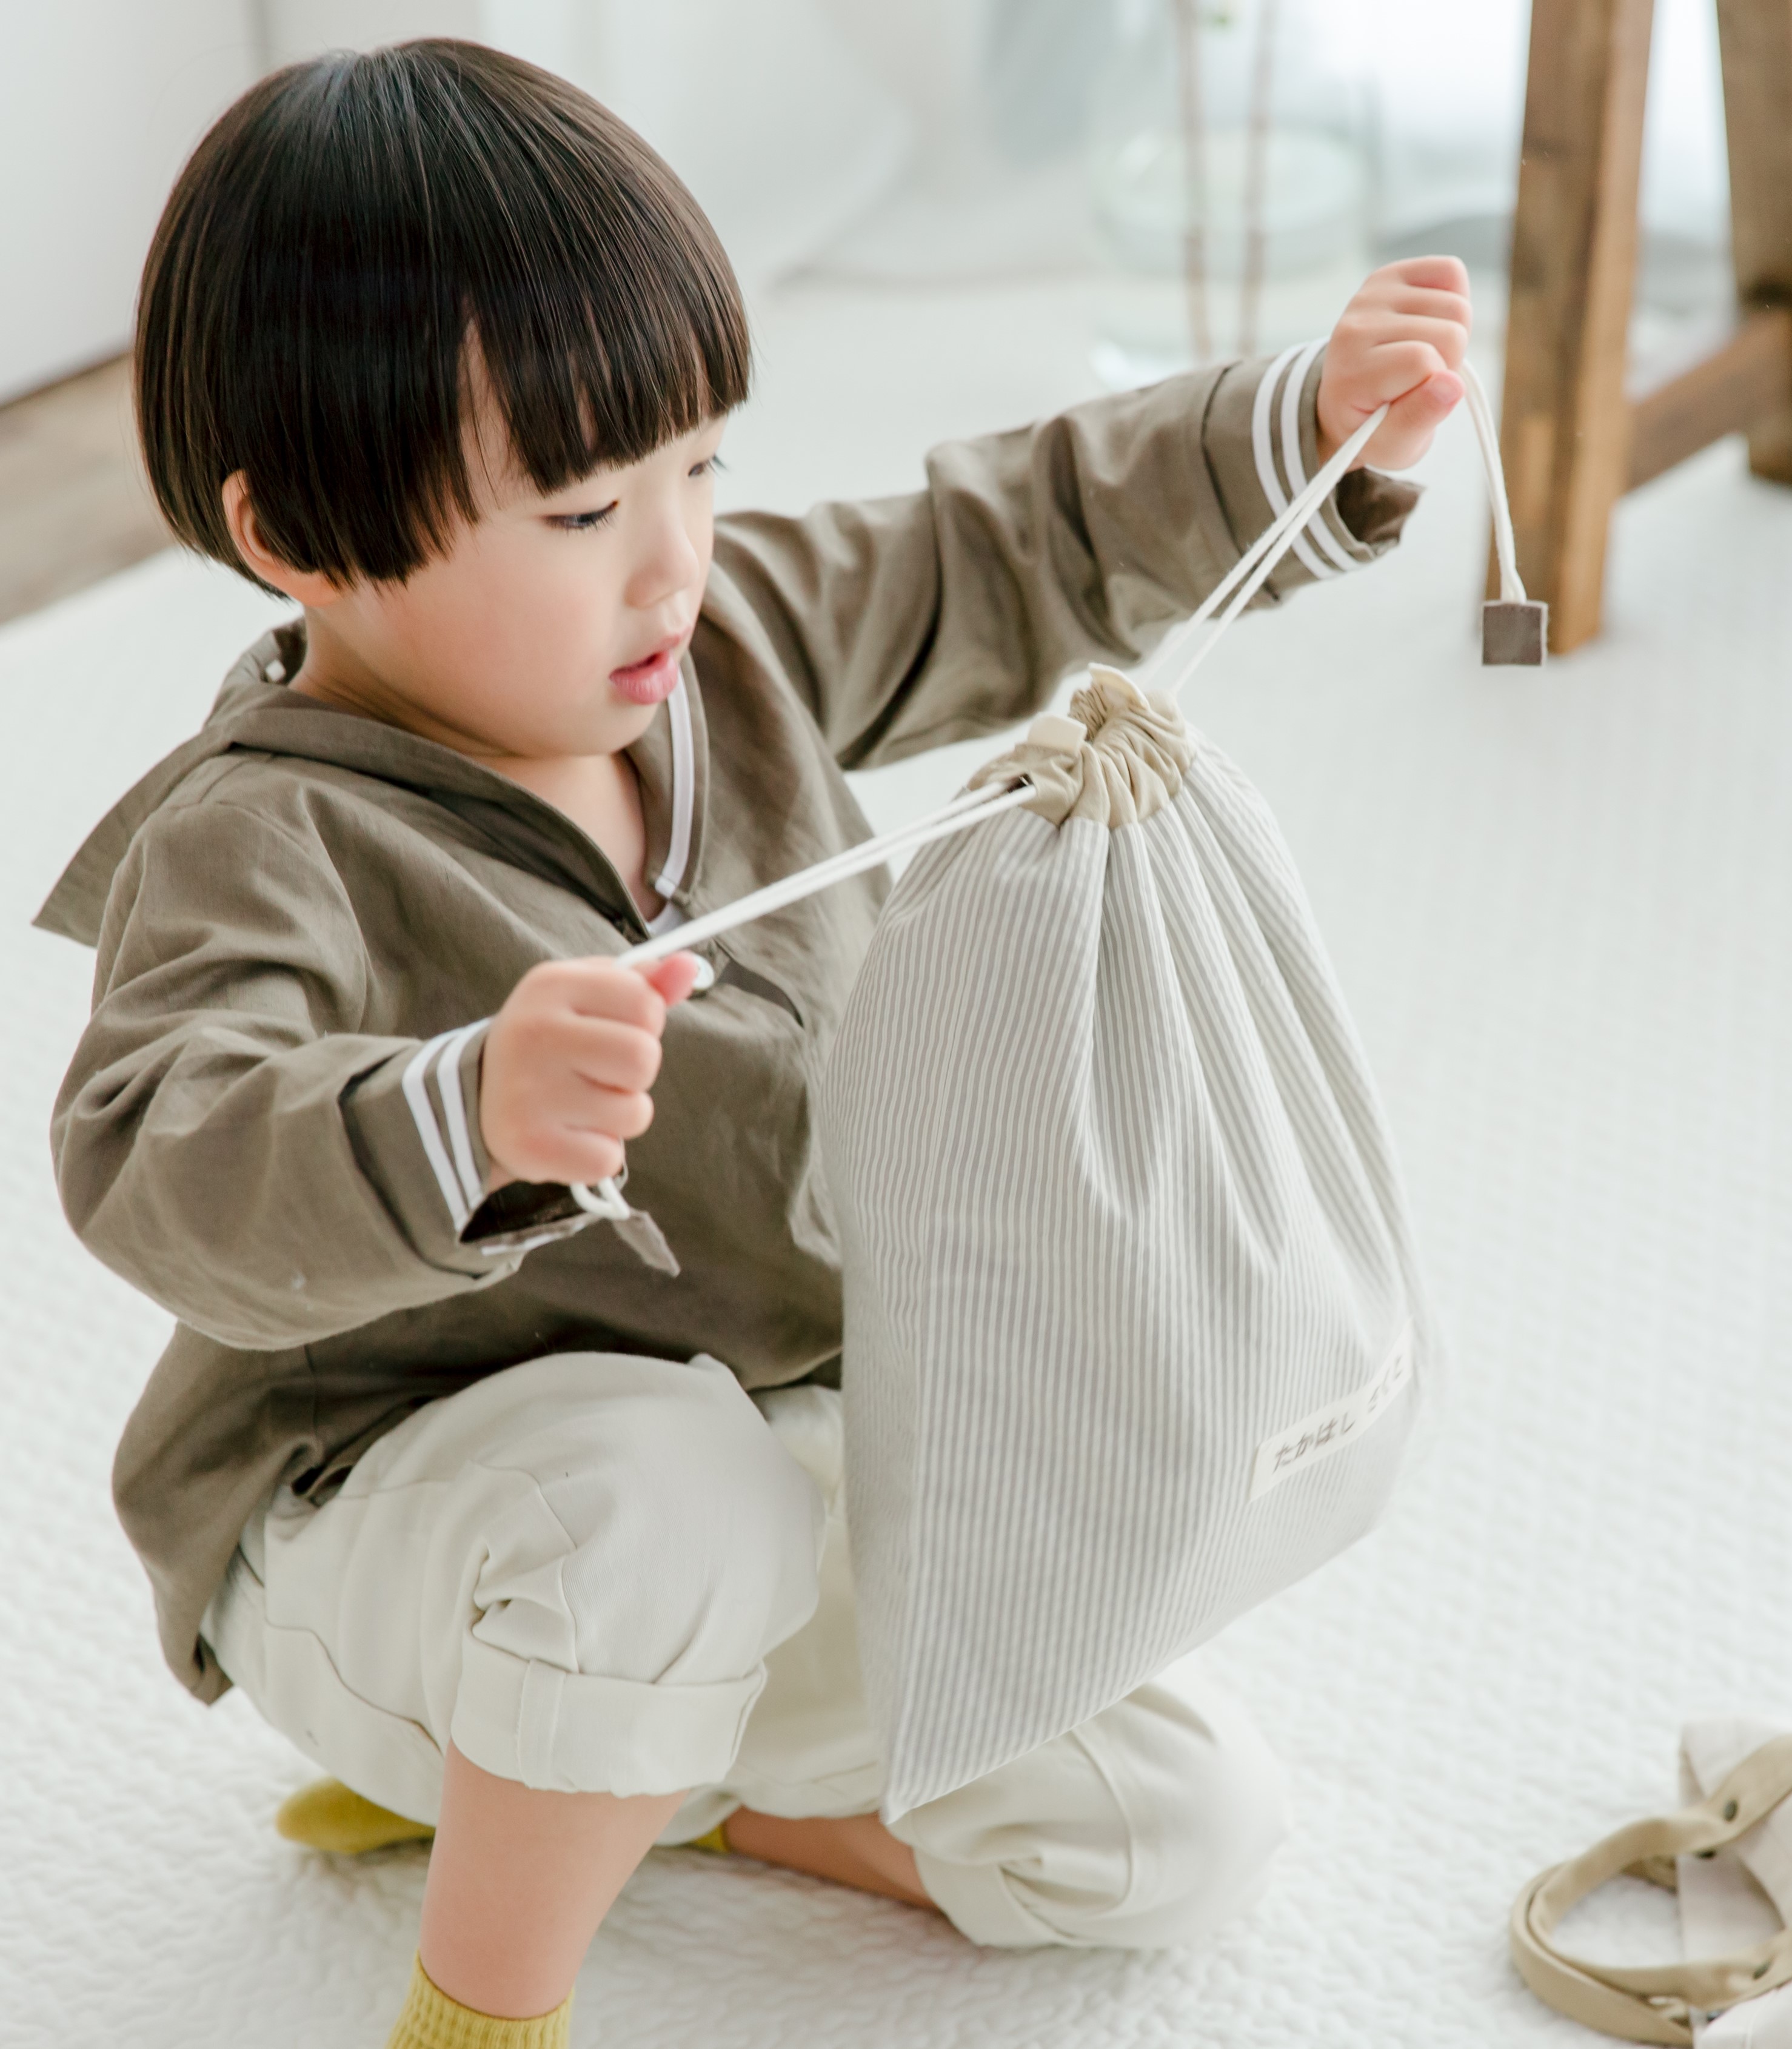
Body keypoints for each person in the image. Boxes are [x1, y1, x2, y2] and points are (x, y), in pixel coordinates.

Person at [39, 38, 1473, 2049]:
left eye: (699, 465)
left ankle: (627, 1796)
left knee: (1164, 1827)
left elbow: (1008, 550)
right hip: (393, 1535)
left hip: (765, 1464)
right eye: (579, 506)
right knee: (660, 1490)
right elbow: (154, 1147)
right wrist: (457, 1109)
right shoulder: (260, 835)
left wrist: (1299, 433)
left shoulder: (726, 655)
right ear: (299, 540)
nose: (672, 557)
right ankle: (487, 1980)